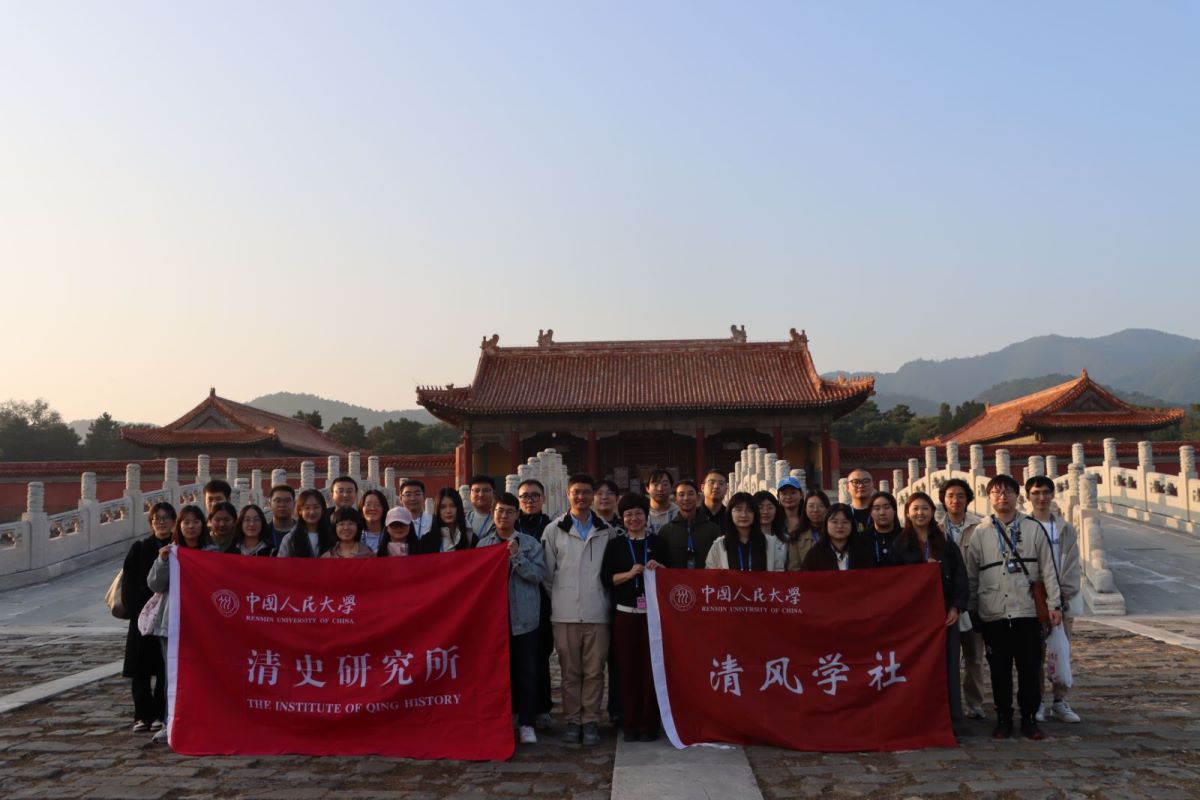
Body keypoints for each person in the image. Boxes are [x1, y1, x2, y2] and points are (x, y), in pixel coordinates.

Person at [966, 474, 1063, 741]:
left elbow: (1048, 569)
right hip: (994, 611)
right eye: (996, 492)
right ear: (989, 497)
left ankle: (1029, 718)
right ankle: (1004, 718)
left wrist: (1055, 604)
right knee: (999, 670)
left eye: (1008, 491)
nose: (1002, 497)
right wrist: (972, 609)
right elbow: (972, 575)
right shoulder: (980, 532)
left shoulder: (1033, 528)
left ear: (1016, 496)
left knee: (1030, 669)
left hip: (1027, 610)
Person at [542, 474, 618, 746]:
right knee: (570, 671)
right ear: (568, 494)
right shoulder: (554, 530)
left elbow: (610, 572)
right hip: (565, 613)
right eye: (576, 492)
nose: (581, 497)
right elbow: (547, 575)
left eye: (587, 492)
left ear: (592, 496)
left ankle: (591, 720)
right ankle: (573, 720)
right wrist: (561, 598)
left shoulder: (606, 530)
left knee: (595, 671)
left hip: (598, 612)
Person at [891, 492, 969, 736]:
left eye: (925, 508)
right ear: (907, 512)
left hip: (943, 613)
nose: (920, 513)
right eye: (915, 508)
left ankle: (952, 721)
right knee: (916, 667)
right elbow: (892, 582)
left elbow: (960, 577)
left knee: (949, 667)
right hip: (913, 617)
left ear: (933, 512)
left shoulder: (945, 542)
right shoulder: (899, 544)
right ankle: (918, 720)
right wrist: (921, 572)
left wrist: (956, 606)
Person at [477, 492, 546, 745]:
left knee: (526, 671)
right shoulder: (483, 545)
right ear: (492, 513)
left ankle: (527, 722)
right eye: (500, 511)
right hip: (494, 620)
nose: (504, 516)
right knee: (498, 672)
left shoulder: (529, 544)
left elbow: (538, 575)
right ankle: (504, 718)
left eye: (509, 511)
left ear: (517, 515)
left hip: (525, 618)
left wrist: (516, 556)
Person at [146, 504, 219, 743]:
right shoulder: (171, 552)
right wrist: (162, 560)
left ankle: (204, 721)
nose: (191, 526)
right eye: (186, 522)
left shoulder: (212, 553)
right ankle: (171, 722)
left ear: (203, 525)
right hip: (172, 624)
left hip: (202, 625)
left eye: (196, 521)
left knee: (203, 675)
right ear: (179, 525)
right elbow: (155, 585)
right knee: (173, 676)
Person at [601, 493, 671, 742]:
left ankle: (649, 724)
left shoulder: (659, 543)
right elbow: (607, 579)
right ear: (623, 518)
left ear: (646, 515)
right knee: (627, 670)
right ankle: (630, 724)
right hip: (625, 615)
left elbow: (673, 577)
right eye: (628, 514)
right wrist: (629, 574)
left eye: (638, 513)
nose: (634, 518)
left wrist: (661, 570)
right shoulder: (616, 545)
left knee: (651, 670)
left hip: (653, 616)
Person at [1026, 475, 1082, 724]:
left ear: (1052, 494)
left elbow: (1072, 562)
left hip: (1062, 599)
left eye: (1046, 492)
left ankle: (1060, 701)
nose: (1041, 497)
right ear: (1027, 496)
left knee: (1061, 650)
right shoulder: (1023, 527)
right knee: (1035, 654)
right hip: (1034, 599)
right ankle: (1038, 701)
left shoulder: (1064, 528)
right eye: (1036, 493)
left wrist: (1062, 594)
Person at [122, 501, 173, 734]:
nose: (161, 522)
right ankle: (142, 714)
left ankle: (160, 714)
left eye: (166, 518)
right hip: (143, 617)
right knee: (140, 669)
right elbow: (129, 583)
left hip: (167, 616)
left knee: (164, 668)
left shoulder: (179, 547)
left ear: (173, 522)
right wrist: (137, 612)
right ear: (151, 523)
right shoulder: (140, 548)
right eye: (156, 519)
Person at [937, 478, 987, 720]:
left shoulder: (981, 527)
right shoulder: (936, 529)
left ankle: (974, 702)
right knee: (946, 657)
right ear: (943, 500)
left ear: (967, 498)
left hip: (973, 600)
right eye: (950, 496)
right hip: (946, 603)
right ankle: (947, 702)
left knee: (974, 657)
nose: (955, 500)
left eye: (960, 495)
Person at [516, 478, 555, 732]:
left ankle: (542, 707)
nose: (529, 501)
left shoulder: (552, 527)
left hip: (544, 597)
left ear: (543, 498)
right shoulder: (512, 525)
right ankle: (519, 708)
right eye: (525, 496)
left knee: (541, 654)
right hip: (518, 598)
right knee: (519, 657)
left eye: (534, 496)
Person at [705, 492, 782, 571]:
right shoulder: (719, 545)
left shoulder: (771, 543)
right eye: (738, 510)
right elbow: (709, 572)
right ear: (730, 513)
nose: (744, 515)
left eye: (749, 510)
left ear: (755, 514)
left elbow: (779, 572)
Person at [657, 479, 721, 570]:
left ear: (698, 497)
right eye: (681, 495)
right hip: (677, 579)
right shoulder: (666, 531)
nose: (686, 498)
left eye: (691, 494)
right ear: (675, 499)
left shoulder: (713, 529)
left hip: (706, 578)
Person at [800, 503, 875, 571]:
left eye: (845, 522)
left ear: (852, 525)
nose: (840, 526)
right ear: (826, 524)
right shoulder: (815, 554)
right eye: (835, 522)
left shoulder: (863, 552)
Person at [276, 489, 335, 557]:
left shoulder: (331, 536)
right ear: (300, 511)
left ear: (323, 510)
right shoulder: (290, 538)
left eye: (316, 507)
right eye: (307, 508)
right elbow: (281, 562)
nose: (312, 512)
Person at [418, 488, 476, 554]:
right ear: (437, 510)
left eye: (453, 506)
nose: (448, 511)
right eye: (443, 507)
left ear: (459, 508)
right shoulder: (427, 541)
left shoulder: (470, 538)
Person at [788, 489, 829, 571]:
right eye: (811, 506)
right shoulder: (796, 536)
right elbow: (794, 568)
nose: (815, 510)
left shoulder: (835, 533)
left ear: (827, 508)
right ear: (805, 509)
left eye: (821, 505)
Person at [754, 490, 790, 572]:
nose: (765, 512)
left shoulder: (785, 540)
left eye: (770, 507)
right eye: (760, 508)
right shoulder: (747, 540)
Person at [866, 491, 900, 566]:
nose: (882, 513)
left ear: (894, 511)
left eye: (887, 507)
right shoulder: (862, 539)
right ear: (871, 513)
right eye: (877, 508)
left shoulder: (905, 536)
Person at [645, 469, 679, 534]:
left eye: (665, 484)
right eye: (655, 484)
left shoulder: (679, 513)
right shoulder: (641, 514)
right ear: (647, 488)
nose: (660, 489)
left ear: (672, 488)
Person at [265, 484, 297, 551]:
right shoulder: (262, 534)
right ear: (269, 504)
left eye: (287, 501)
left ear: (294, 504)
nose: (282, 505)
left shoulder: (304, 532)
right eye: (278, 501)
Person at [466, 475, 497, 541]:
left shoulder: (500, 520)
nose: (481, 495)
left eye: (485, 490)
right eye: (476, 490)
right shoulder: (463, 519)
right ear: (470, 494)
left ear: (493, 494)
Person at [845, 468, 874, 535]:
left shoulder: (880, 512)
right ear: (847, 487)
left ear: (873, 485)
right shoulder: (843, 512)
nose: (861, 486)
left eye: (866, 481)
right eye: (855, 482)